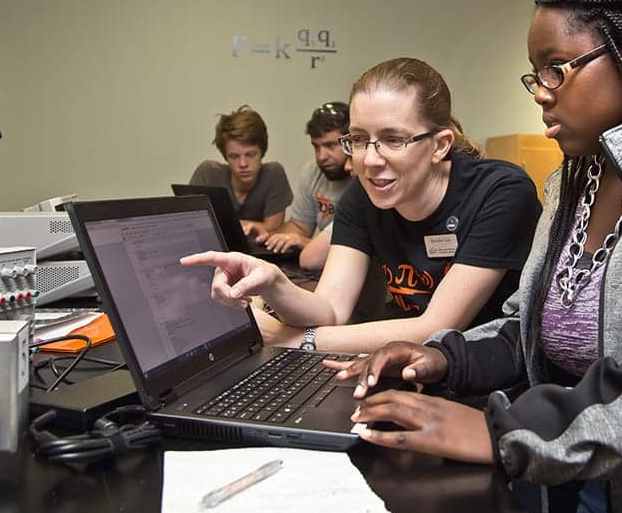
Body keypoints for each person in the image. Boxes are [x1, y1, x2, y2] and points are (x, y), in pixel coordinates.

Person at [329, 0, 622, 513]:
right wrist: (446, 358)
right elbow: (531, 327)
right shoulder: (576, 179)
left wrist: (506, 432)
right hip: (580, 480)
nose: (541, 92)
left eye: (557, 68)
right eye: (535, 73)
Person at [181, 57, 541, 354]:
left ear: (440, 145)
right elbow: (330, 310)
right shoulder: (365, 194)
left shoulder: (501, 192)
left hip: (487, 374)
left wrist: (289, 339)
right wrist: (272, 282)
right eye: (359, 139)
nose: (369, 160)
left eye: (392, 139)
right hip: (406, 363)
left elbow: (438, 327)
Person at [262, 101, 353, 263]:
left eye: (330, 145)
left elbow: (359, 252)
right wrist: (269, 238)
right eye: (316, 147)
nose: (321, 156)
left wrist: (307, 244)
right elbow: (300, 226)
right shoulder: (313, 170)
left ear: (351, 142)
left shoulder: (364, 178)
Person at [189, 105, 293, 237]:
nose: (243, 164)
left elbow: (272, 231)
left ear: (262, 152)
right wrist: (254, 226)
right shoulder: (208, 173)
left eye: (250, 155)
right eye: (234, 156)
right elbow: (190, 224)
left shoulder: (273, 174)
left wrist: (220, 224)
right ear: (225, 156)